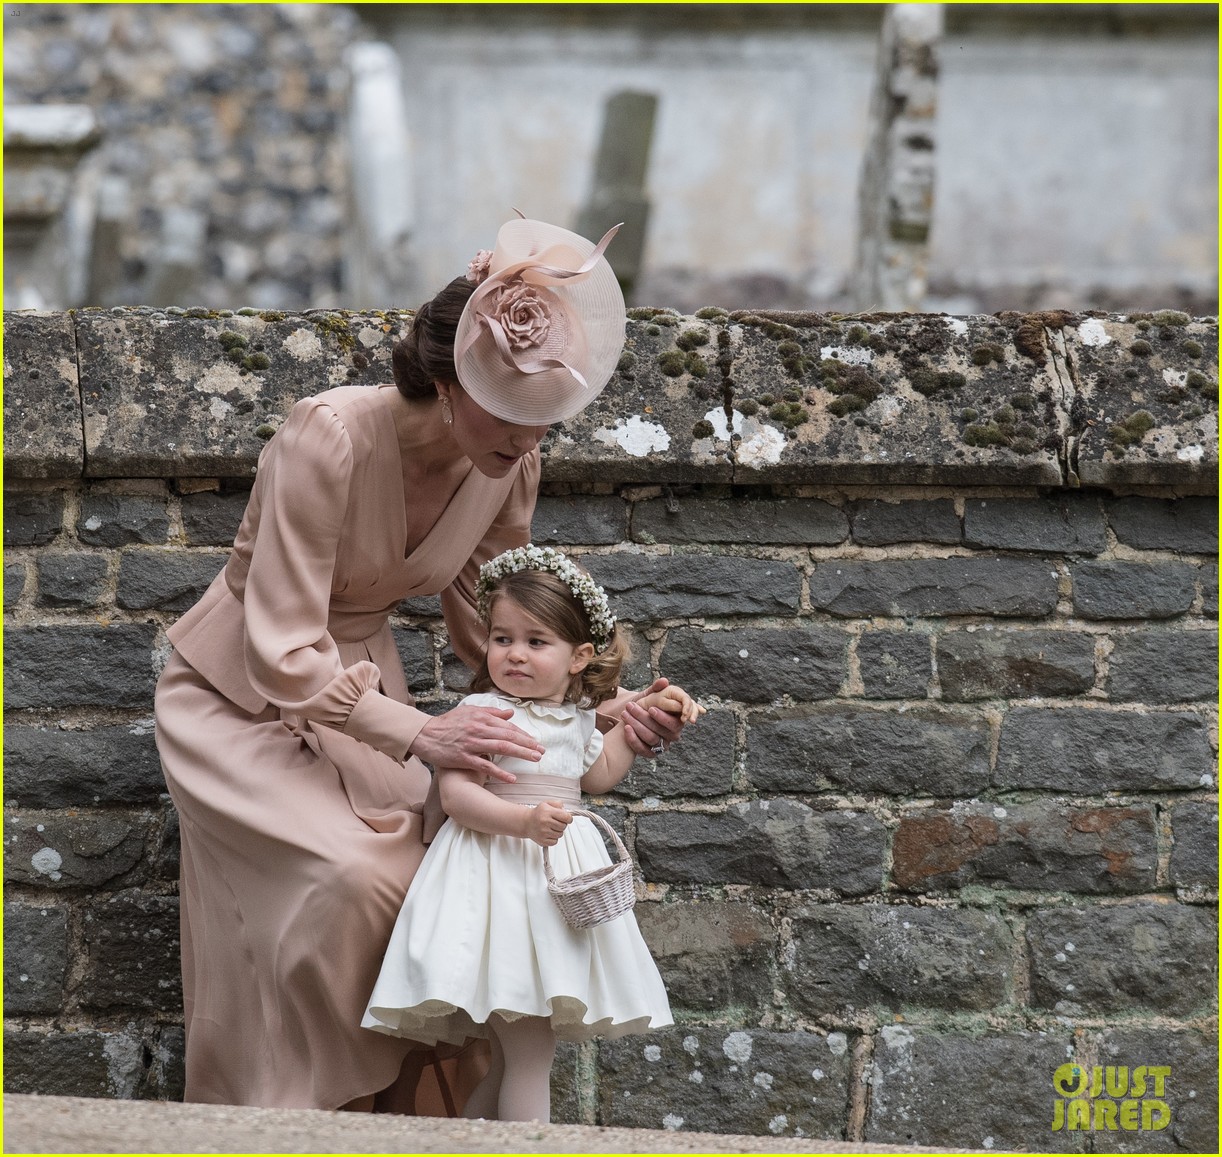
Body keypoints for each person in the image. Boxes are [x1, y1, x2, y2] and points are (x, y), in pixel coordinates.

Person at [154, 216, 694, 1113]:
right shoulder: (328, 436)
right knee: (353, 879)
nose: (530, 437)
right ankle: (298, 1114)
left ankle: (403, 1124)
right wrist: (421, 736)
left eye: (544, 414)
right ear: (449, 381)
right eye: (510, 409)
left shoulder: (507, 465)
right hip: (238, 696)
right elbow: (281, 647)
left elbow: (501, 634)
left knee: (439, 883)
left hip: (367, 695)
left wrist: (608, 705)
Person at [363, 546, 703, 1124]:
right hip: (498, 881)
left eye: (536, 641)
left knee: (512, 1060)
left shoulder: (577, 717)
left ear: (579, 657)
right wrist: (522, 822)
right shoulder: (484, 711)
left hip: (553, 886)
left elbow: (596, 774)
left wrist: (640, 716)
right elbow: (458, 796)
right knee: (528, 1055)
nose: (515, 653)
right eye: (502, 639)